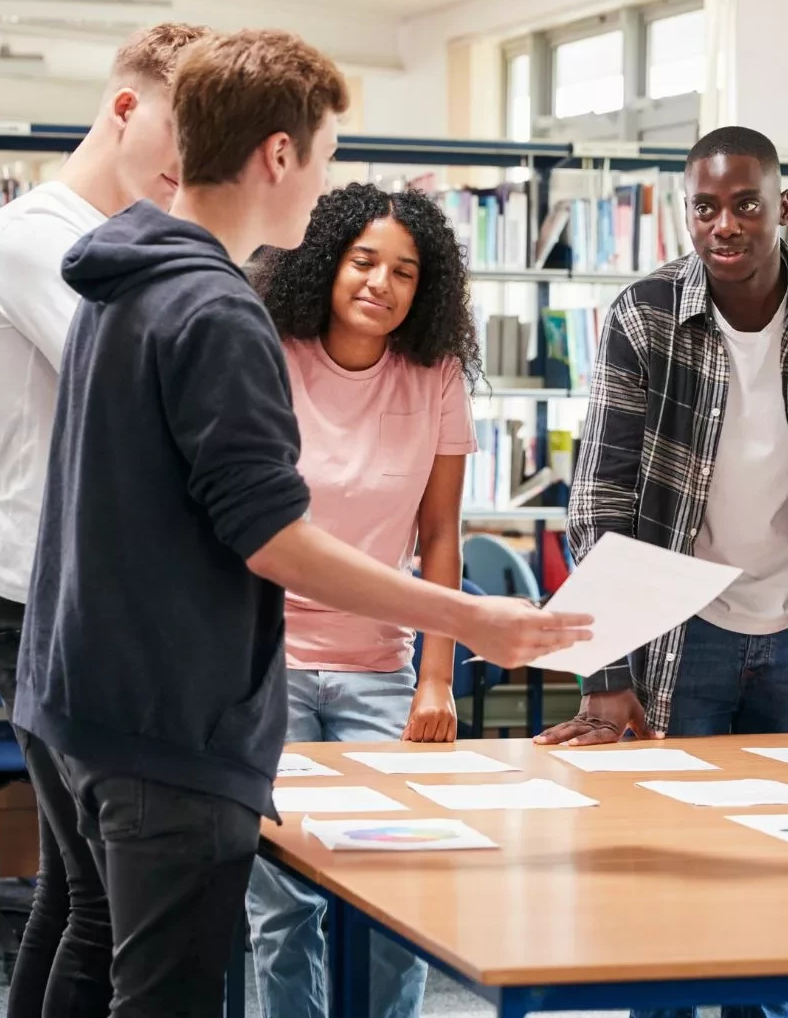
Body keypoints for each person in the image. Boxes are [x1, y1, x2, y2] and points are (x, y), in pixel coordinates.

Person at [11, 29, 590, 1018]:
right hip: (166, 722)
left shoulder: (125, 278)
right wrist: (473, 619)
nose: (325, 184)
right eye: (325, 157)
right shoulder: (215, 310)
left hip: (80, 700)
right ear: (279, 155)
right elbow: (274, 538)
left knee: (98, 967)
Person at [536, 125, 788, 1018]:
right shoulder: (644, 315)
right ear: (688, 214)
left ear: (782, 207)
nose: (726, 225)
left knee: (773, 895)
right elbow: (600, 497)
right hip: (683, 632)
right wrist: (610, 667)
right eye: (706, 207)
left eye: (747, 204)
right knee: (665, 894)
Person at [0, 21, 211, 1018]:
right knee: (111, 901)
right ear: (123, 109)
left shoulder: (121, 242)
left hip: (84, 599)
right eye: (181, 147)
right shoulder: (39, 238)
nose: (190, 176)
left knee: (79, 889)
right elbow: (154, 393)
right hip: (40, 600)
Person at [244, 182, 480, 1018]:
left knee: (399, 896)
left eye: (406, 272)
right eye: (364, 261)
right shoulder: (269, 353)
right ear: (327, 264)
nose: (381, 283)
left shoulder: (436, 375)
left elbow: (441, 538)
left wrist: (437, 680)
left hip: (383, 668)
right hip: (264, 666)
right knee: (281, 908)